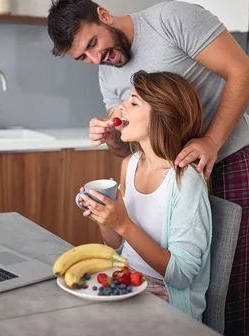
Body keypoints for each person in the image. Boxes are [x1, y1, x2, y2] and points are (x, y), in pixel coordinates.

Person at [48, 0, 249, 335]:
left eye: (93, 44)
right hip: (161, 167)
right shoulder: (108, 74)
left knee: (228, 285)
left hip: (226, 157)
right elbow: (124, 148)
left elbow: (243, 73)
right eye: (82, 58)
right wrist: (109, 135)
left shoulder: (171, 19)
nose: (94, 59)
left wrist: (211, 141)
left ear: (104, 15)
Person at [78, 70, 212, 321]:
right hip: (126, 278)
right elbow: (117, 247)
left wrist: (123, 224)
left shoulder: (186, 181)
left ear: (162, 117)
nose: (120, 109)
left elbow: (182, 275)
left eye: (133, 102)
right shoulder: (129, 164)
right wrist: (105, 218)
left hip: (166, 298)